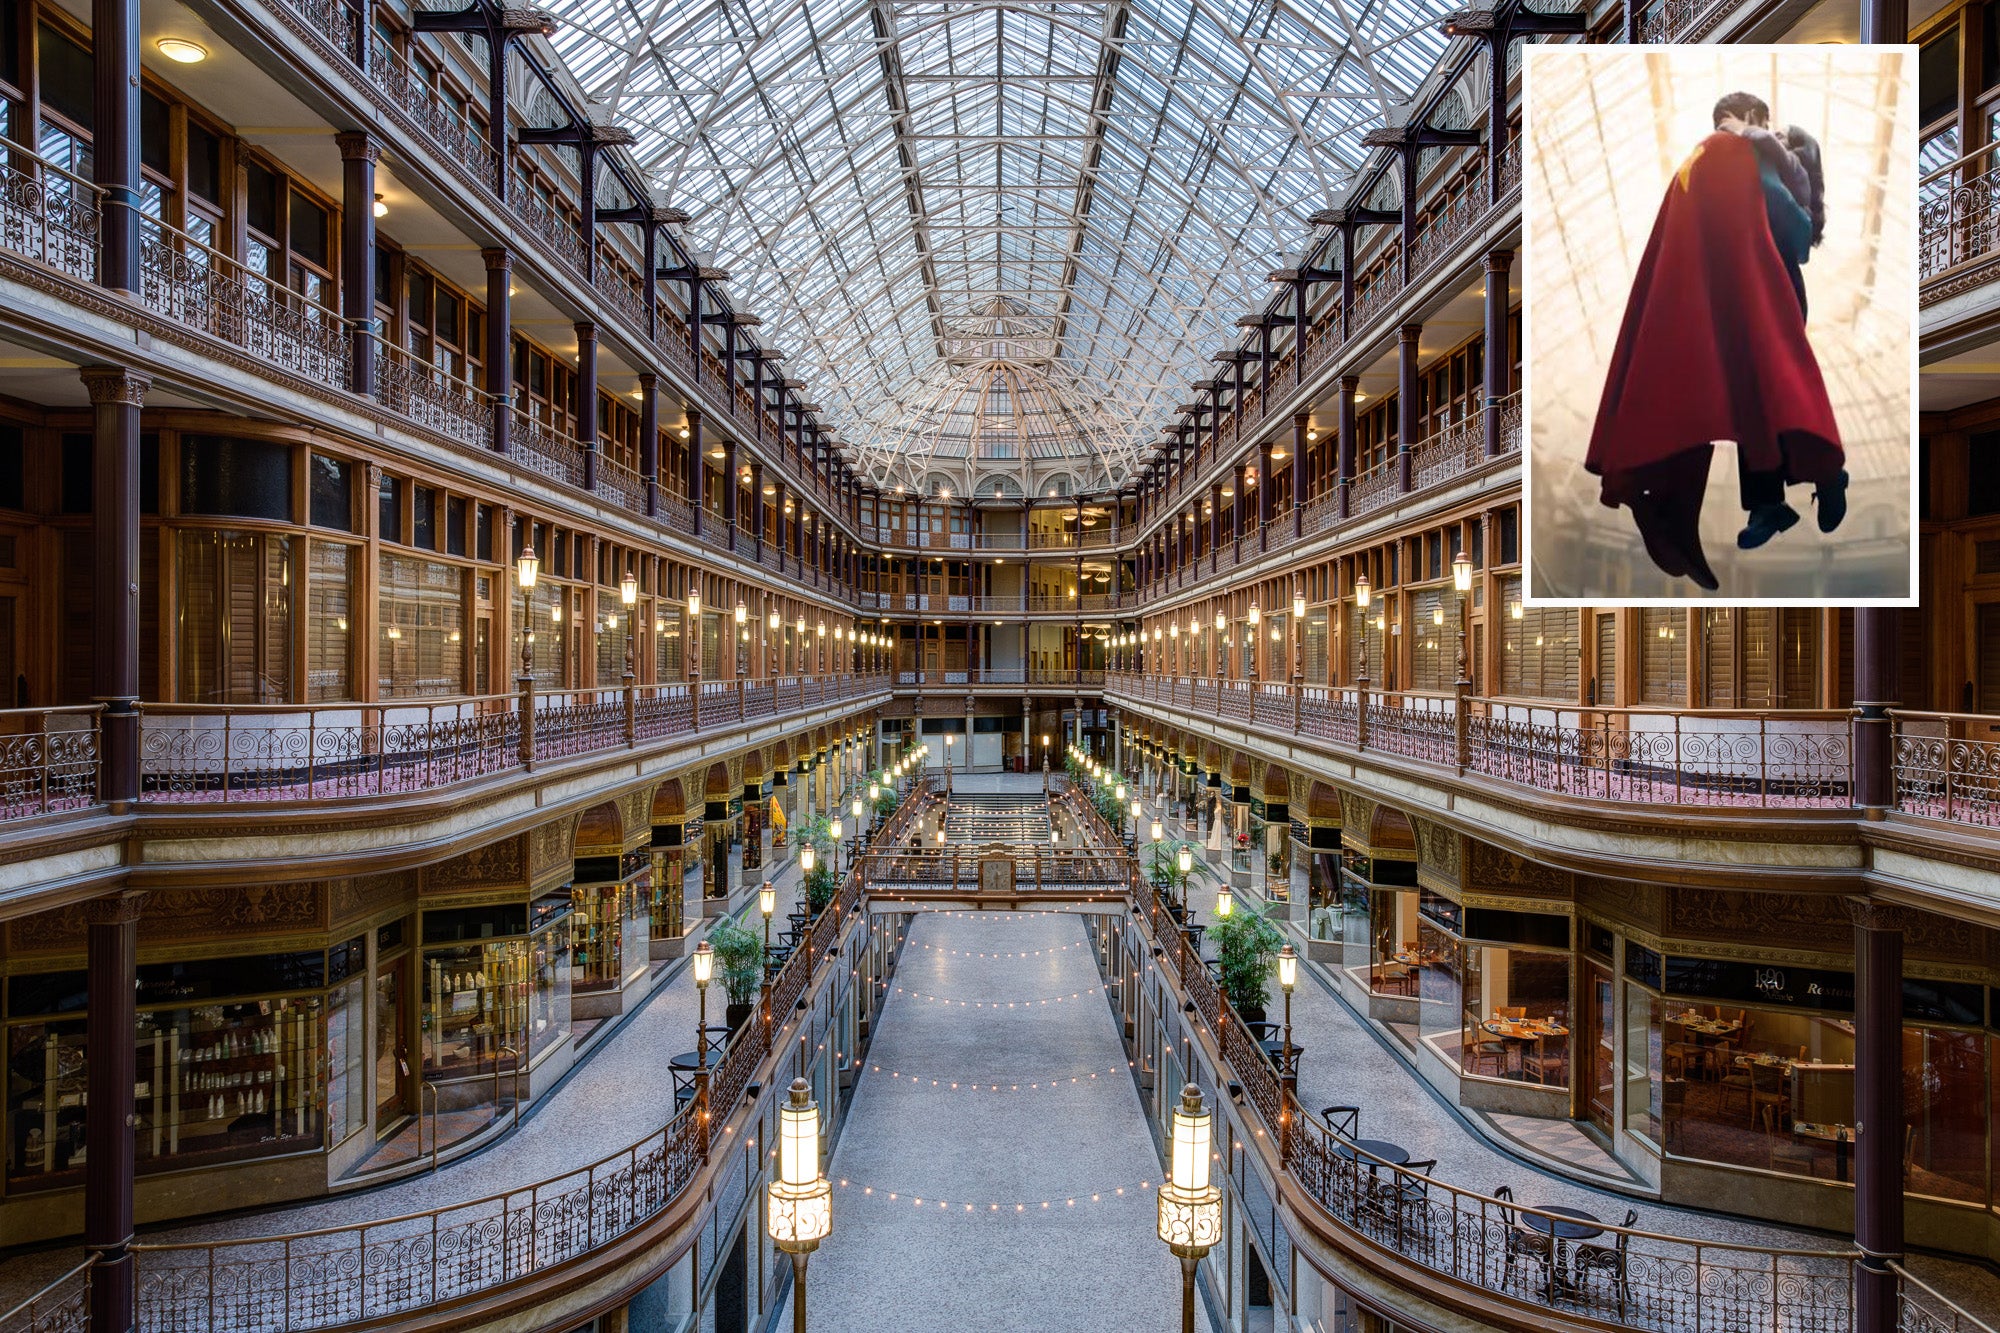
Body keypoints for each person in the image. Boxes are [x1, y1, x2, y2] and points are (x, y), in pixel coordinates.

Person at [1712, 92, 1847, 550]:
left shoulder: (1779, 148)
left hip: (1774, 278)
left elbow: (1795, 222)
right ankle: (1777, 496)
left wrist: (1743, 136)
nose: (1724, 136)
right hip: (1749, 281)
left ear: (1751, 118)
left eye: (1728, 125)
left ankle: (1812, 478)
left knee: (1774, 389)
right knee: (1754, 396)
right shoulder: (1757, 155)